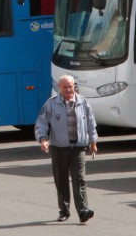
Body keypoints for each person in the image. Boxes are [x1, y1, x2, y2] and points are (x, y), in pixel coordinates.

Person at [34, 74, 98, 223]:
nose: (69, 90)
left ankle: (83, 211)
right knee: (61, 181)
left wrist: (93, 141)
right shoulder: (51, 104)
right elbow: (41, 123)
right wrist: (43, 140)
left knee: (79, 179)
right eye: (66, 87)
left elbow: (91, 123)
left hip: (78, 148)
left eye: (71, 86)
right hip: (59, 149)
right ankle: (64, 211)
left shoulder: (83, 102)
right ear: (59, 88)